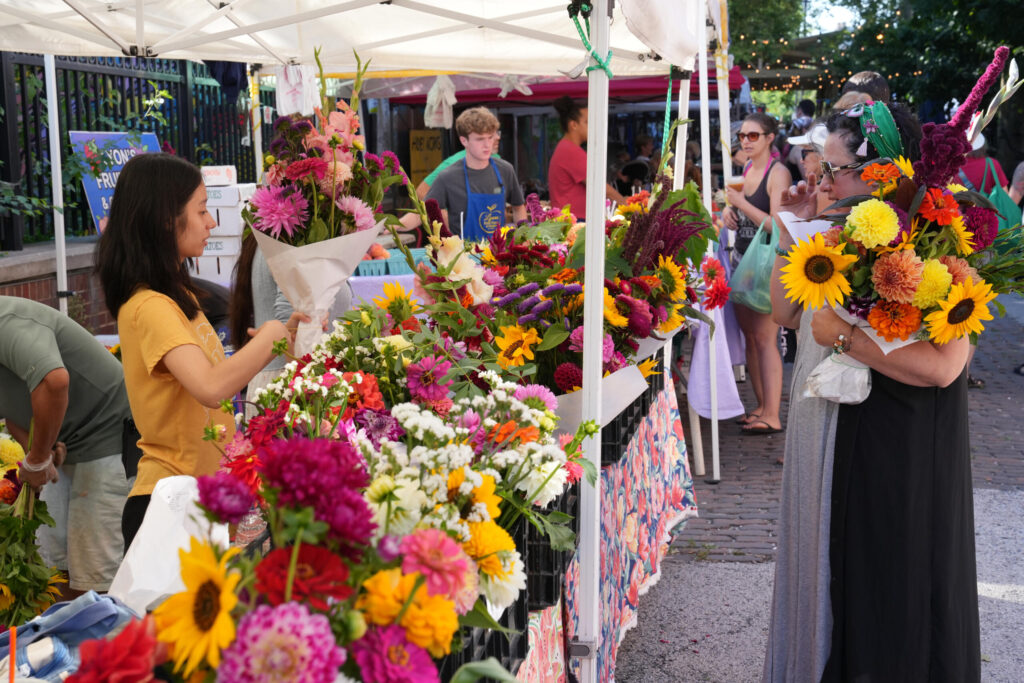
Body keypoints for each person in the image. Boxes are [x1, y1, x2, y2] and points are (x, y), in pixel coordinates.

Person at [764, 102, 980, 682]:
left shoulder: (937, 244)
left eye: (834, 171)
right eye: (820, 167)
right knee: (832, 570)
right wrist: (791, 230)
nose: (822, 182)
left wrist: (846, 339)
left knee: (887, 583)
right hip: (829, 425)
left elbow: (945, 367)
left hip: (897, 437)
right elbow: (785, 313)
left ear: (885, 173)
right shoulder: (835, 229)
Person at [96, 153, 306, 549]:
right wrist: (271, 334)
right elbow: (210, 387)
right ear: (166, 218)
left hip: (199, 498)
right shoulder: (149, 306)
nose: (211, 222)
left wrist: (281, 337)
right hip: (169, 502)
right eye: (202, 210)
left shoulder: (178, 296)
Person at [0, 296, 134, 597]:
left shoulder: (6, 321)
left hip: (106, 437)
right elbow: (12, 408)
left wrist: (37, 459)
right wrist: (40, 450)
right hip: (65, 445)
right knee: (52, 568)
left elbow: (54, 381)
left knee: (94, 580)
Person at [722, 113, 793, 434]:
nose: (746, 141)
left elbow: (777, 224)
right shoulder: (747, 170)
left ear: (769, 138)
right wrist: (729, 210)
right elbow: (743, 210)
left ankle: (773, 414)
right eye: (742, 136)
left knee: (766, 339)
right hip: (743, 260)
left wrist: (740, 203)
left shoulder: (778, 173)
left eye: (753, 135)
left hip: (765, 264)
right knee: (750, 338)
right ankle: (761, 407)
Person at [423, 107, 525, 241]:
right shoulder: (447, 177)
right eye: (480, 139)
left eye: (490, 137)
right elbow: (427, 211)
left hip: (498, 251)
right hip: (463, 252)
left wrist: (523, 238)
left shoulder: (506, 170)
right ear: (464, 141)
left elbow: (519, 208)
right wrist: (446, 241)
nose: (487, 145)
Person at [547, 95, 625, 219]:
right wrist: (629, 207)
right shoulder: (570, 150)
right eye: (587, 122)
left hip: (570, 220)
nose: (592, 127)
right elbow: (600, 186)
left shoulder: (566, 147)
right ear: (573, 125)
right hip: (574, 221)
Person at [414, 131, 504, 200]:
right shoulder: (455, 163)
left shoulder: (496, 160)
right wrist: (443, 216)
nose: (498, 137)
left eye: (497, 132)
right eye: (491, 134)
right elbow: (421, 192)